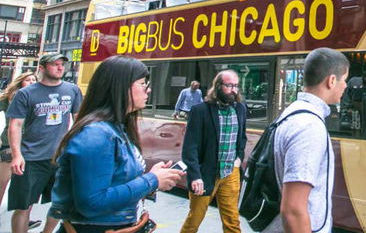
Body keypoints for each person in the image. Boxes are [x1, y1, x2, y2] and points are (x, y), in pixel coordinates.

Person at [49, 56, 184, 233]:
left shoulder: (118, 128)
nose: (148, 90)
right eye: (143, 83)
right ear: (121, 87)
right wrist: (152, 180)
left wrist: (154, 179)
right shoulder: (96, 135)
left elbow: (116, 181)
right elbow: (92, 203)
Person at [265, 48, 350, 233]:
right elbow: (293, 210)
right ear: (331, 80)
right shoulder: (309, 126)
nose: (345, 86)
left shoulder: (293, 112)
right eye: (344, 79)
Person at [7, 53, 83, 233]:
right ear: (41, 68)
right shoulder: (26, 93)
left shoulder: (72, 90)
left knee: (61, 204)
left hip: (59, 158)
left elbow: (79, 121)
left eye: (62, 64)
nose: (60, 67)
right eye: (54, 64)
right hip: (31, 159)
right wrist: (17, 155)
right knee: (24, 206)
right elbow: (15, 125)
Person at [180, 70, 248, 233]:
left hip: (231, 172)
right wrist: (195, 175)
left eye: (236, 86)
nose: (233, 90)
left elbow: (242, 138)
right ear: (218, 86)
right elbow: (190, 147)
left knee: (232, 222)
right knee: (194, 220)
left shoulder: (240, 109)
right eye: (229, 85)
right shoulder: (200, 111)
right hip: (206, 173)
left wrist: (239, 158)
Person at [0, 72, 39, 230]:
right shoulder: (11, 97)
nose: (31, 82)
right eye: (28, 80)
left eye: (34, 80)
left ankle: (23, 218)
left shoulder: (38, 97)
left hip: (29, 146)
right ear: (20, 82)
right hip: (9, 146)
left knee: (26, 187)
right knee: (2, 183)